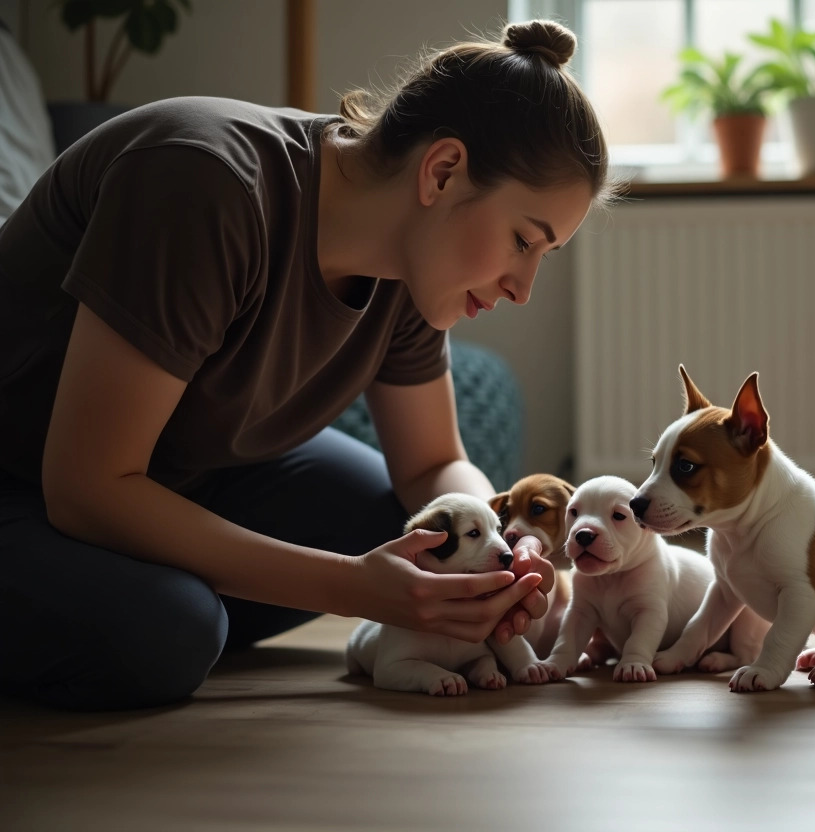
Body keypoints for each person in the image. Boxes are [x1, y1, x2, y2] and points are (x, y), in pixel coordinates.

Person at [0, 19, 614, 711]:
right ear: (442, 171)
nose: (522, 288)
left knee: (409, 530)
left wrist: (498, 547)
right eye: (522, 241)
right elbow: (88, 486)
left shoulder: (414, 267)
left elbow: (429, 466)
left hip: (179, 473)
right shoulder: (206, 183)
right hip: (34, 483)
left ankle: (147, 591)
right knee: (168, 634)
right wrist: (352, 585)